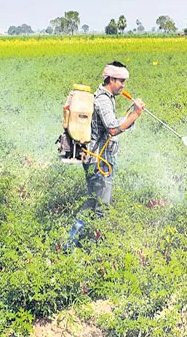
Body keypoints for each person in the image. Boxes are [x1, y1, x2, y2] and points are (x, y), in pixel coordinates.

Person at [67, 61, 145, 247]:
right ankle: (84, 245)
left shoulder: (108, 97)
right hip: (98, 162)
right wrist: (135, 115)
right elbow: (112, 129)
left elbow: (111, 123)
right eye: (120, 81)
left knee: (96, 202)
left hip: (101, 160)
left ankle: (78, 242)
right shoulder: (102, 99)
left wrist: (130, 115)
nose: (123, 85)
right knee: (99, 206)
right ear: (111, 79)